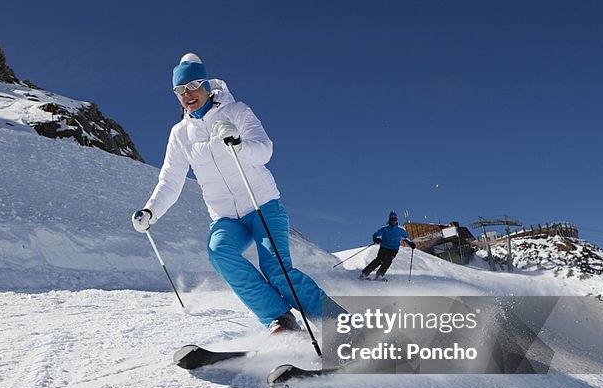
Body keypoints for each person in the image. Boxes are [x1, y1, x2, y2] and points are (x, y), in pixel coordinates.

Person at [132, 53, 327, 335]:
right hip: (226, 217)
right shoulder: (180, 134)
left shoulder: (236, 112)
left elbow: (265, 150)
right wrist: (151, 211)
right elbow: (171, 180)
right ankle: (280, 318)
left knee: (276, 270)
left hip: (262, 205)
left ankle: (340, 324)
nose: (187, 94)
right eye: (179, 90)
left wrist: (238, 143)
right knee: (219, 251)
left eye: (192, 86)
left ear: (207, 86)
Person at [360, 211, 416, 281]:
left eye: (394, 219)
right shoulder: (385, 229)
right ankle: (364, 274)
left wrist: (411, 244)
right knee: (379, 260)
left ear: (397, 220)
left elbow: (406, 238)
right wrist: (376, 239)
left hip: (393, 249)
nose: (393, 221)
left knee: (388, 261)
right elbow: (375, 234)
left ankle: (379, 275)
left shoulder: (401, 230)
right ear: (389, 220)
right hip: (384, 247)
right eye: (391, 220)